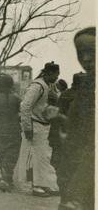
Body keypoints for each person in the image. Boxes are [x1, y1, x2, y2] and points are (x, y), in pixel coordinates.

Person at [58, 27, 95, 210]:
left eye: (92, 52)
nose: (86, 59)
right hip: (76, 165)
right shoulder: (88, 84)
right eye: (81, 54)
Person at [17, 61, 60, 197]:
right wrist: (27, 127)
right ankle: (36, 186)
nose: (57, 77)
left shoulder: (49, 85)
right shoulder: (37, 86)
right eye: (56, 74)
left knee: (43, 157)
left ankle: (44, 184)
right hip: (35, 125)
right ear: (49, 73)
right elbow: (25, 106)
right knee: (35, 157)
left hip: (44, 125)